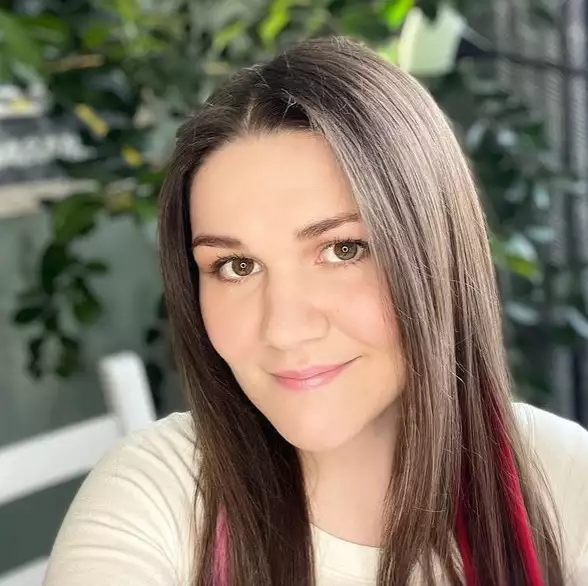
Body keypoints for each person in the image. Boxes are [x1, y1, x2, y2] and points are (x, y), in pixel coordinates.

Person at [44, 36, 588, 586]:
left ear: (435, 252)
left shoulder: (566, 483)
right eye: (236, 266)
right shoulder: (155, 494)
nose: (284, 328)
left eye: (343, 250)